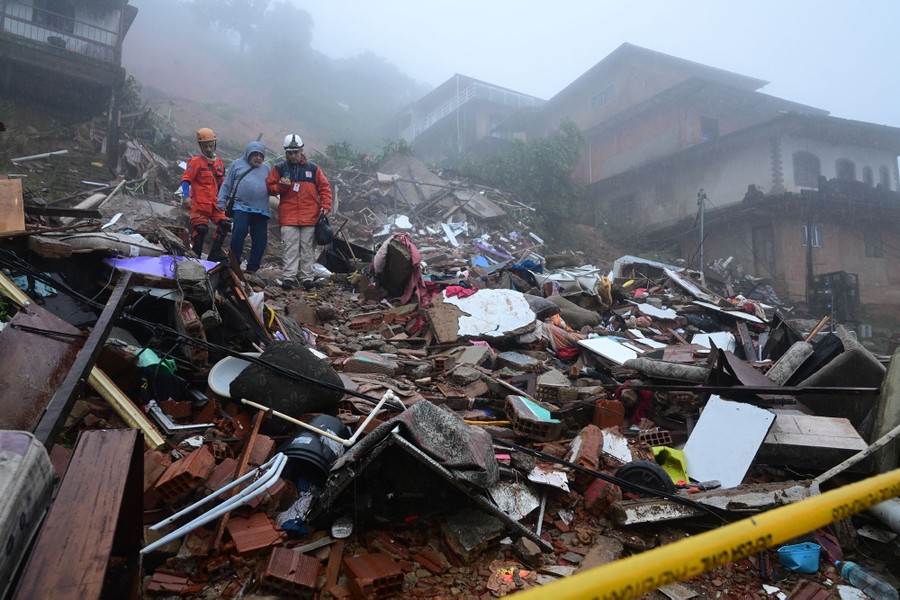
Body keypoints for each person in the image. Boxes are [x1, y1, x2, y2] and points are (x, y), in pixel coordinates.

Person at [266, 133, 332, 290]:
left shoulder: (313, 169)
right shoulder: (279, 169)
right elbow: (269, 187)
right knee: (290, 247)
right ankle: (289, 277)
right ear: (285, 152)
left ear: (302, 150)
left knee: (308, 248)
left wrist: (326, 206)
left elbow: (325, 188)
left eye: (295, 152)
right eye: (289, 152)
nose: (293, 155)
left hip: (310, 216)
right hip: (289, 216)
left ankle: (307, 278)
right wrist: (281, 187)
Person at [217, 141, 271, 273]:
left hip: (261, 210)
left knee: (260, 239)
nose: (258, 158)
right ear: (248, 154)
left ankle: (252, 268)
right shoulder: (237, 164)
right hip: (241, 207)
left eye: (261, 155)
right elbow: (227, 184)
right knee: (238, 233)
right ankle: (234, 262)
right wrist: (221, 201)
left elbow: (274, 186)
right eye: (255, 154)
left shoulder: (267, 168)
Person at [181, 127, 229, 260]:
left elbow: (221, 183)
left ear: (214, 144)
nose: (208, 149)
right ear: (200, 146)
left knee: (225, 225)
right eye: (205, 146)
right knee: (201, 229)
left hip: (214, 203)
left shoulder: (218, 163)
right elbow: (186, 180)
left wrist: (225, 198)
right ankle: (195, 256)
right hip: (199, 203)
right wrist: (186, 197)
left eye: (210, 145)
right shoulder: (195, 162)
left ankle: (214, 255)